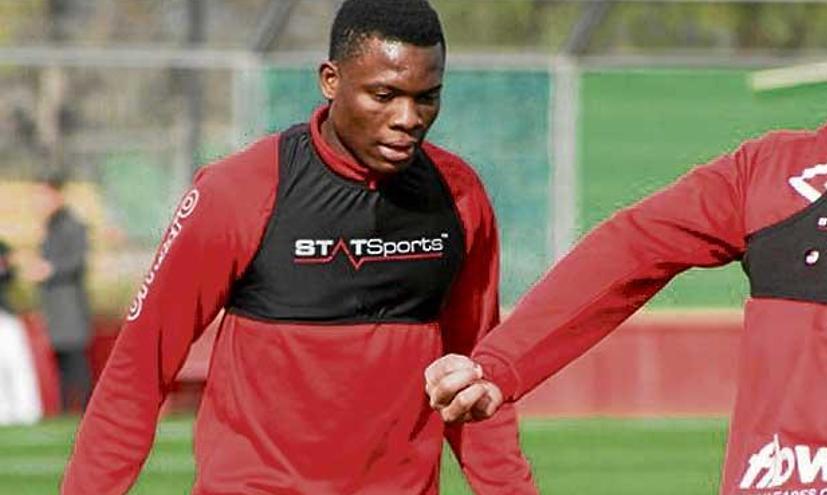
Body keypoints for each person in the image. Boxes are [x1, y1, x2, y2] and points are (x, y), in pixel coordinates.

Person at [62, 1, 536, 493]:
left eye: (427, 98)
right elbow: (137, 372)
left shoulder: (459, 197)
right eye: (384, 95)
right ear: (330, 80)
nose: (408, 118)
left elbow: (474, 383)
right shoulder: (239, 192)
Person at [426, 110, 827, 493]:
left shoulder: (777, 167)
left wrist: (499, 365)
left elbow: (630, 247)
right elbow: (634, 248)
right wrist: (499, 364)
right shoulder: (775, 170)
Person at [23, 170, 92, 413]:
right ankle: (66, 411)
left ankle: (86, 409)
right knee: (63, 364)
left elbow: (77, 262)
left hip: (70, 307)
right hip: (55, 308)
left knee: (76, 363)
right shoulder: (50, 227)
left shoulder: (72, 225)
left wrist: (49, 270)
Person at [0, 240, 43, 426]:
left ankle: (27, 410)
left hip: (6, 315)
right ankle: (4, 411)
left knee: (17, 364)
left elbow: (8, 272)